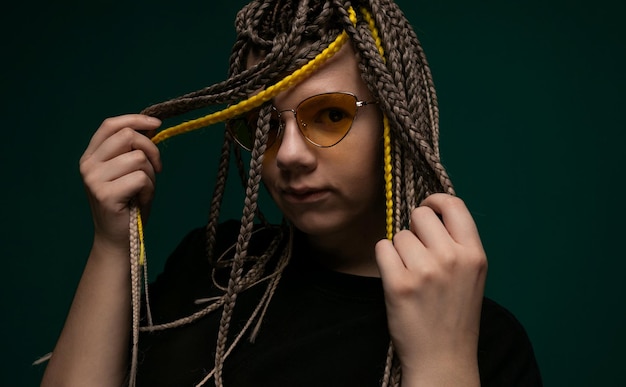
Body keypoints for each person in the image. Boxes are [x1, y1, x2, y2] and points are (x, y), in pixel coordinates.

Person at [40, 0, 542, 386]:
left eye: (330, 115)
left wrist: (443, 359)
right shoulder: (212, 265)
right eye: (261, 125)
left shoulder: (486, 342)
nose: (289, 156)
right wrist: (111, 244)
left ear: (395, 121)